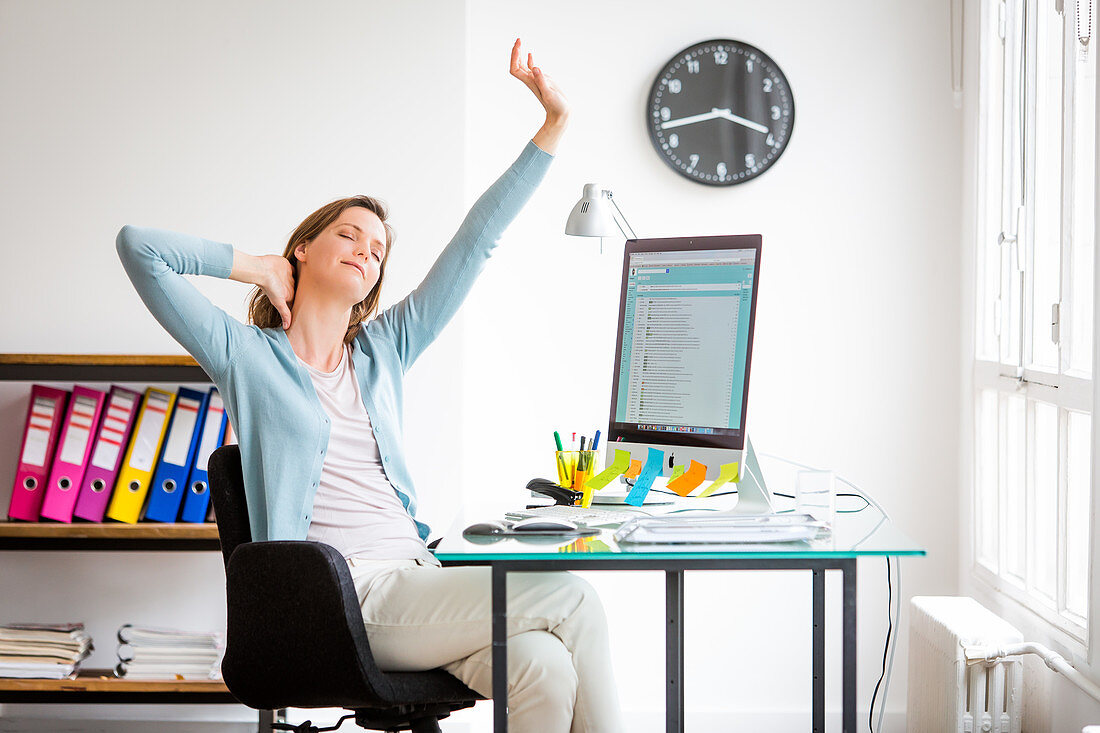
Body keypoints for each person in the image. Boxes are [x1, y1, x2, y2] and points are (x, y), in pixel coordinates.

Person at [115, 38, 625, 732]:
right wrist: (252, 265)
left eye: (378, 248)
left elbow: (475, 244)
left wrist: (551, 128)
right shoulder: (247, 355)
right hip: (347, 595)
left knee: (544, 664)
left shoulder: (385, 349)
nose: (366, 249)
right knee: (574, 601)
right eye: (351, 235)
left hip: (419, 577)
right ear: (304, 248)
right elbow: (138, 247)